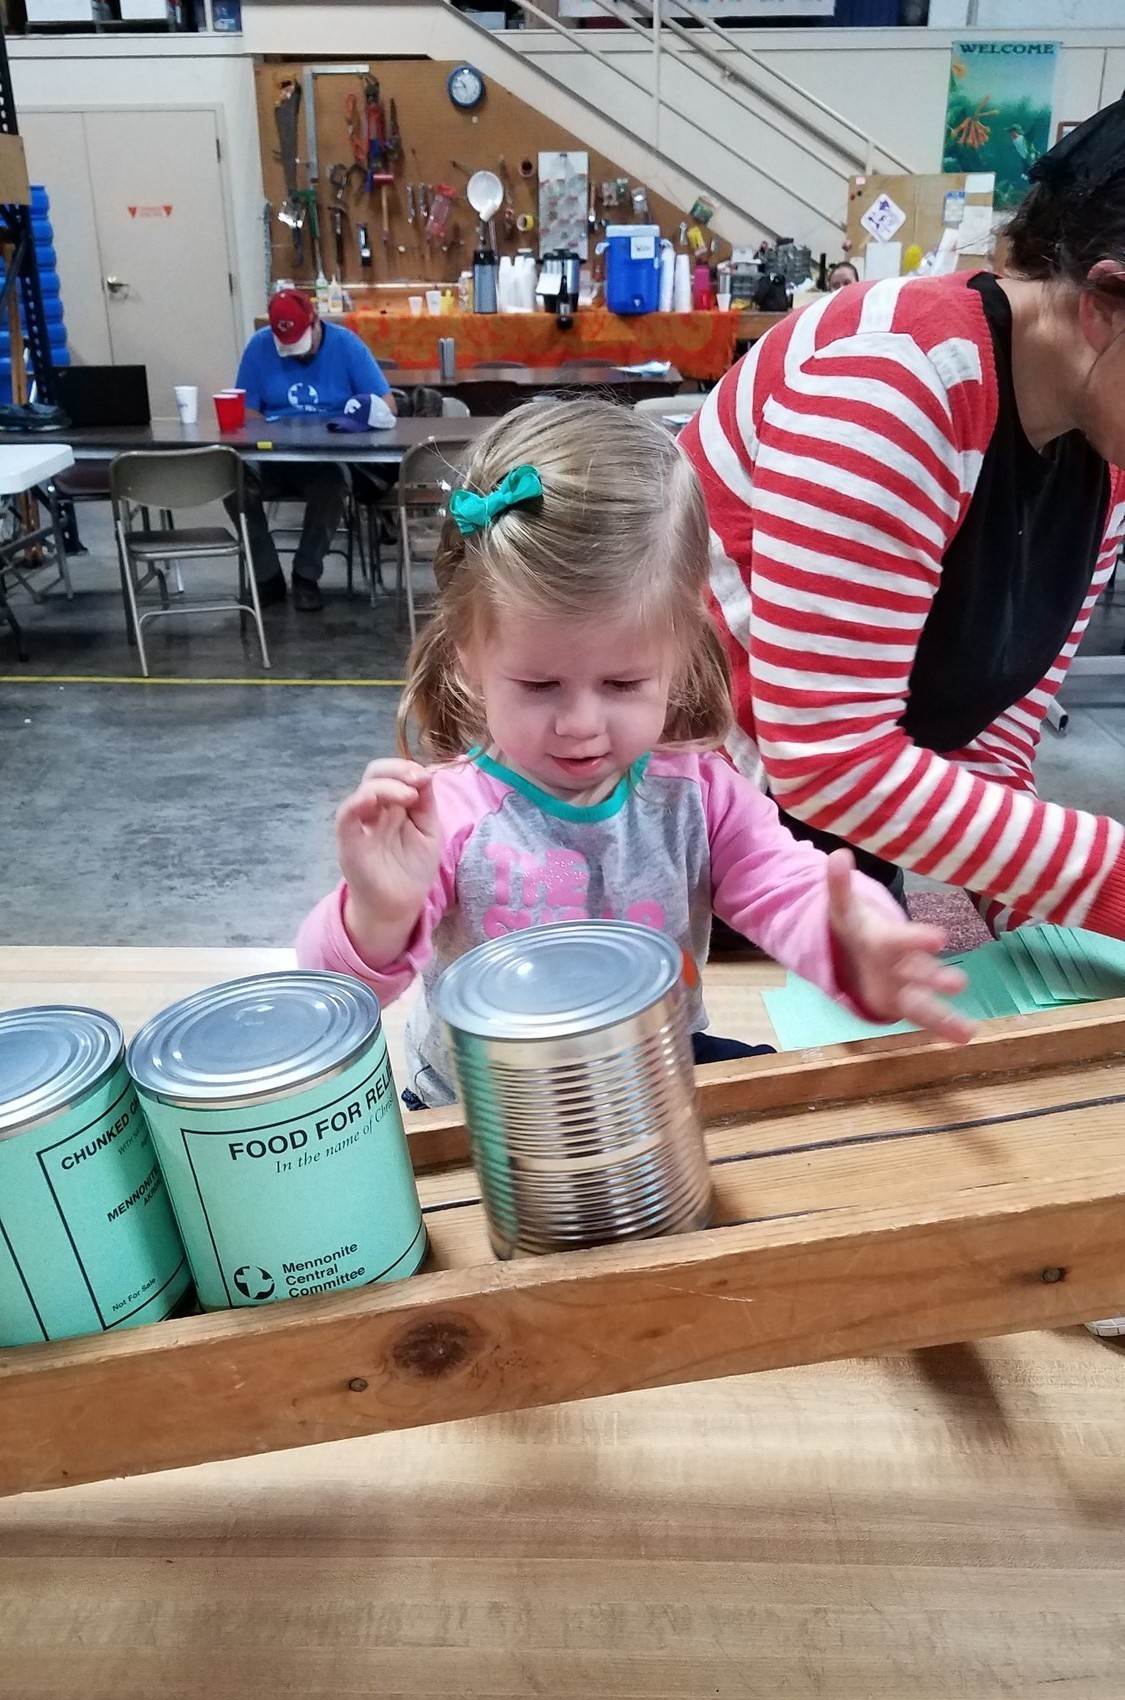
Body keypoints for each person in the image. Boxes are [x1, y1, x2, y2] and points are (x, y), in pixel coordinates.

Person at [296, 402, 969, 1108]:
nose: (580, 725)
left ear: (678, 657)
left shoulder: (700, 794)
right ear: (467, 660)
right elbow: (336, 996)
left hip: (651, 1076)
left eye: (622, 683)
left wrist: (850, 941)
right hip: (485, 1115)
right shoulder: (448, 820)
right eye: (538, 684)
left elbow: (783, 883)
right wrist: (375, 912)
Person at [682, 98, 1125, 942]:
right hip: (684, 844)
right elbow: (828, 760)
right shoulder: (895, 383)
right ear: (1103, 301)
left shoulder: (1101, 456)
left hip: (832, 851)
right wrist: (1104, 880)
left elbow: (991, 733)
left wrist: (1037, 936)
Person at [233, 289, 396, 613]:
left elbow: (387, 404)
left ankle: (306, 574)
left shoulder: (346, 345)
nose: (296, 355)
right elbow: (247, 412)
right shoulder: (259, 347)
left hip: (325, 458)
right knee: (230, 482)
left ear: (315, 322)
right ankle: (267, 575)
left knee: (332, 483)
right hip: (272, 457)